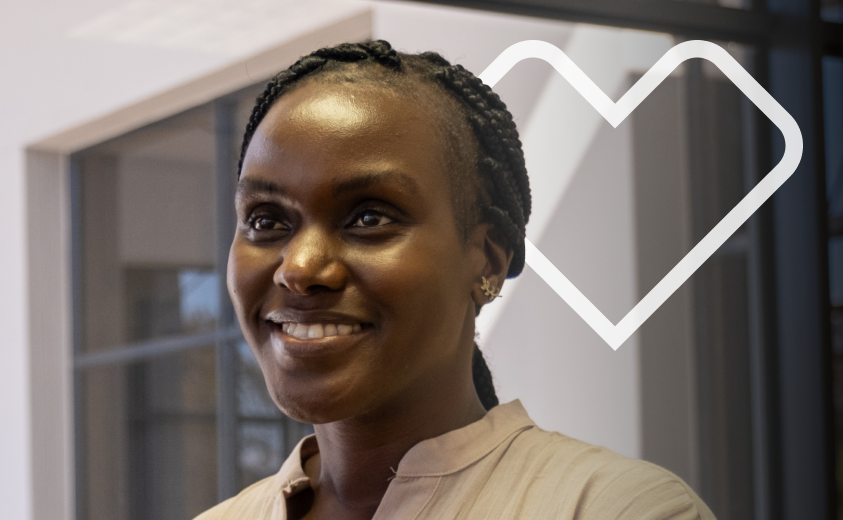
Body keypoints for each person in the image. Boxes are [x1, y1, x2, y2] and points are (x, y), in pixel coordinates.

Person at [196, 40, 713, 520]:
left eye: (370, 218)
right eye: (266, 220)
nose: (301, 268)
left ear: (487, 260)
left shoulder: (618, 509)